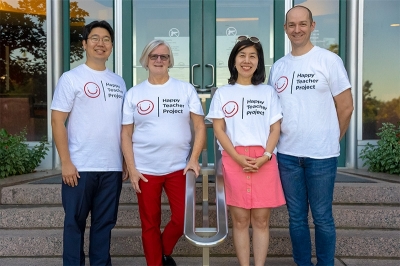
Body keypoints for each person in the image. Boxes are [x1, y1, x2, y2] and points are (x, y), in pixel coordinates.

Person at [267, 5, 354, 266]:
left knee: (322, 217)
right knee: (296, 217)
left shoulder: (328, 60)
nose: (297, 29)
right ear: (285, 29)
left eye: (303, 24)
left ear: (312, 26)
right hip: (288, 155)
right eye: (291, 25)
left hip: (321, 157)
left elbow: (346, 107)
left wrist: (331, 139)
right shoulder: (279, 67)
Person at [121, 39, 206, 266]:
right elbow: (126, 135)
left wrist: (194, 159)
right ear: (146, 61)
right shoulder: (134, 93)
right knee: (149, 224)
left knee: (183, 218)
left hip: (178, 166)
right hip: (145, 170)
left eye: (164, 56)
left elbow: (199, 126)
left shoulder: (185, 89)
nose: (159, 60)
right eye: (154, 56)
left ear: (170, 61)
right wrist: (132, 169)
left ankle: (163, 251)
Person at [51, 20, 127, 265]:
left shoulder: (119, 82)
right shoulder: (71, 78)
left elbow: (123, 127)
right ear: (84, 44)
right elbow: (57, 122)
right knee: (74, 223)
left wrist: (125, 160)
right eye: (94, 38)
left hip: (111, 167)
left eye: (106, 39)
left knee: (104, 225)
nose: (100, 44)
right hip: (79, 167)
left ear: (112, 46)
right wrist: (66, 163)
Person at [206, 36, 286, 266]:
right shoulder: (222, 93)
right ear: (233, 61)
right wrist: (237, 157)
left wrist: (265, 156)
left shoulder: (268, 93)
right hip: (234, 160)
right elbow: (219, 129)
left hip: (264, 160)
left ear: (258, 62)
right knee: (240, 220)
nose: (247, 60)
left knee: (261, 220)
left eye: (252, 56)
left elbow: (275, 128)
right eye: (242, 55)